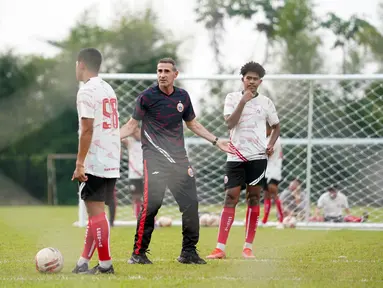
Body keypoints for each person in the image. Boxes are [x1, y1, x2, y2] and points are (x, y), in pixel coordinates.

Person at [120, 57, 233, 265]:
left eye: (166, 71)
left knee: (191, 205)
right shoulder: (146, 97)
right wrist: (108, 138)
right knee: (152, 206)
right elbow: (130, 126)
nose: (162, 74)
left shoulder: (183, 97)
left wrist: (216, 141)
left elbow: (193, 124)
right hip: (155, 160)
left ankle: (188, 252)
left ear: (175, 74)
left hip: (180, 161)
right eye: (159, 71)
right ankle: (138, 254)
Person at [206, 61, 281, 260]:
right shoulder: (232, 98)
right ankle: (220, 248)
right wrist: (244, 101)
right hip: (235, 156)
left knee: (254, 198)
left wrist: (271, 144)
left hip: (257, 157)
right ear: (243, 79)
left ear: (260, 82)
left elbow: (276, 126)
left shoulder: (266, 102)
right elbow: (230, 122)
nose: (252, 82)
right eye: (248, 78)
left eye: (255, 79)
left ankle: (248, 247)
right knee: (231, 196)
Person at [71, 48, 120, 274]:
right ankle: (83, 261)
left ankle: (105, 265)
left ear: (81, 64)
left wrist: (80, 163)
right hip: (111, 158)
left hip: (96, 160)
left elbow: (87, 129)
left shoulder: (86, 91)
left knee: (96, 212)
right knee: (95, 212)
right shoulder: (107, 87)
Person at [261, 123, 284, 227]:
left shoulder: (275, 139)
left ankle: (281, 219)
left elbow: (268, 153)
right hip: (266, 169)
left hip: (274, 169)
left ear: (269, 129)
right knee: (266, 193)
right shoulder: (266, 138)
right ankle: (265, 220)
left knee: (273, 192)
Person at [121, 126, 144, 219]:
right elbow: (120, 138)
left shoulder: (146, 141)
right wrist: (129, 131)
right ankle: (138, 217)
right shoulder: (129, 141)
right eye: (134, 132)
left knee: (149, 198)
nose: (136, 133)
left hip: (146, 173)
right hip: (134, 174)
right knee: (136, 197)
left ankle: (151, 218)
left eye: (137, 131)